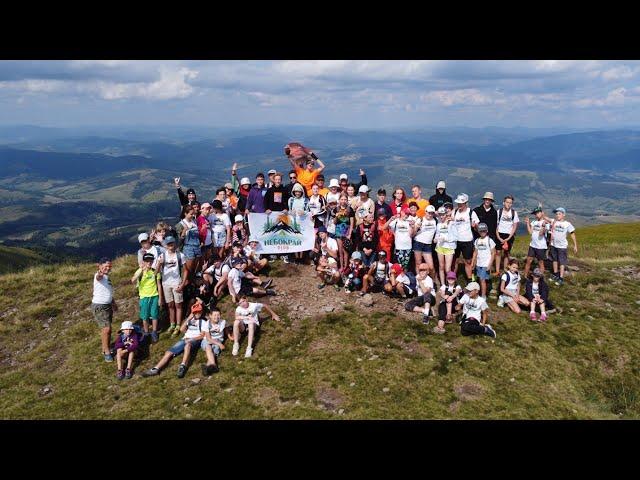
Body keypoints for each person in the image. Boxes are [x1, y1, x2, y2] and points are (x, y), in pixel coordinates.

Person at [141, 302, 208, 378]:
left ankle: (183, 366)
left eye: (199, 311)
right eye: (195, 312)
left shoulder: (203, 321)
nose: (197, 313)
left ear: (201, 311)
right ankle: (156, 369)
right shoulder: (190, 320)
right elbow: (182, 329)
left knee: (187, 346)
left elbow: (202, 335)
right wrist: (189, 318)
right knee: (169, 352)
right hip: (185, 338)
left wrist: (191, 339)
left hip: (195, 340)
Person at [156, 236, 186, 336]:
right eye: (168, 244)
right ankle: (172, 324)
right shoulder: (162, 255)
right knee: (170, 305)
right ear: (165, 245)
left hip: (177, 282)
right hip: (166, 283)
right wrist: (159, 264)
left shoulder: (180, 255)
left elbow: (186, 270)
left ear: (175, 244)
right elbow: (156, 272)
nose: (170, 245)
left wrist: (182, 284)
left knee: (178, 304)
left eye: (172, 243)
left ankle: (178, 324)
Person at [92, 257, 118, 362]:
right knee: (106, 329)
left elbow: (108, 291)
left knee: (107, 329)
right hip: (100, 305)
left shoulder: (107, 277)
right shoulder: (99, 275)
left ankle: (104, 348)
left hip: (107, 305)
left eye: (109, 266)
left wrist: (113, 303)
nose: (108, 268)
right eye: (106, 266)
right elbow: (98, 277)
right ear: (100, 266)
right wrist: (100, 272)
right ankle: (107, 352)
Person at [131, 252, 161, 343]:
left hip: (154, 296)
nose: (149, 263)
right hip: (144, 297)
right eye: (147, 261)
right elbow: (132, 280)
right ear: (143, 261)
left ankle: (154, 331)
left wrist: (160, 298)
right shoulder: (140, 271)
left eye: (151, 261)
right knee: (145, 316)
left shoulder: (154, 271)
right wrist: (141, 269)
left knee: (154, 315)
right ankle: (146, 332)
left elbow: (158, 285)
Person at [453, 193, 480, 281]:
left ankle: (470, 280)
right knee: (455, 260)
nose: (459, 205)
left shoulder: (471, 212)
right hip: (456, 240)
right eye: (458, 203)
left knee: (468, 261)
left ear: (466, 203)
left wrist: (475, 226)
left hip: (467, 240)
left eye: (461, 203)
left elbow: (477, 229)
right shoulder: (455, 211)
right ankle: (452, 279)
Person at [549, 207, 577, 286]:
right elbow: (546, 218)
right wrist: (540, 209)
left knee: (561, 262)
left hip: (562, 246)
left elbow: (572, 233)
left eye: (559, 214)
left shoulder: (567, 224)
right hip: (553, 244)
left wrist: (575, 245)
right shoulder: (554, 222)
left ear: (563, 215)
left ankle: (561, 277)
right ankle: (555, 274)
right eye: (556, 214)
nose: (557, 215)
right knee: (554, 260)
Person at [175, 204, 201, 288]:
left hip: (197, 246)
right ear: (185, 214)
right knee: (188, 269)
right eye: (191, 214)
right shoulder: (181, 224)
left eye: (193, 214)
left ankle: (193, 285)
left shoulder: (194, 221)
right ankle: (185, 285)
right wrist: (184, 231)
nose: (192, 215)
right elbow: (179, 240)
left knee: (195, 268)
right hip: (188, 247)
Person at [524, 206, 550, 279]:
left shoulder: (546, 223)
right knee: (528, 261)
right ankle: (525, 277)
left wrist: (543, 226)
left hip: (541, 246)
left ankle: (540, 278)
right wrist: (527, 223)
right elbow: (530, 232)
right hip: (532, 245)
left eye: (538, 213)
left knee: (540, 262)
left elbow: (541, 234)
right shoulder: (534, 222)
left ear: (542, 213)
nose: (536, 215)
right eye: (535, 213)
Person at [472, 223, 496, 299]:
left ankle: (483, 296)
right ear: (478, 231)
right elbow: (475, 252)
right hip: (479, 264)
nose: (482, 232)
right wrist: (473, 262)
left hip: (486, 264)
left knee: (482, 280)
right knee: (480, 279)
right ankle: (481, 293)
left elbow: (493, 253)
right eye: (481, 231)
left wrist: (490, 264)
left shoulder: (490, 240)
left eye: (484, 231)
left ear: (487, 231)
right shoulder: (477, 240)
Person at [434, 206, 457, 286]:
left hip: (449, 247)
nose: (441, 216)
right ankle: (443, 285)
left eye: (443, 214)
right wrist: (436, 239)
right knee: (441, 267)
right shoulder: (439, 224)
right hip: (440, 247)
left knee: (448, 269)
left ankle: (450, 285)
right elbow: (437, 234)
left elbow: (455, 237)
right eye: (440, 215)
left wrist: (446, 239)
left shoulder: (452, 223)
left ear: (446, 214)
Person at [413, 205, 437, 280]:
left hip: (428, 245)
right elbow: (413, 234)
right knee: (418, 264)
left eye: (432, 213)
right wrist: (416, 228)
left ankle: (431, 282)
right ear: (425, 212)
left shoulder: (435, 220)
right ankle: (419, 281)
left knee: (431, 267)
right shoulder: (420, 220)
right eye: (429, 213)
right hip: (418, 243)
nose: (430, 215)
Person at [496, 195, 519, 273]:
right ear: (503, 202)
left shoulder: (514, 213)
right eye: (507, 202)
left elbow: (514, 226)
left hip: (509, 235)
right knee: (498, 252)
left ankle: (505, 269)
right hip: (499, 234)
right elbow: (496, 225)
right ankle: (497, 270)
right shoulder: (499, 212)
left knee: (506, 253)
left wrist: (509, 237)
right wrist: (498, 237)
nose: (508, 204)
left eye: (510, 203)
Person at [332, 193, 355, 271]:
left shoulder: (350, 209)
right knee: (340, 249)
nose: (343, 201)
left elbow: (352, 223)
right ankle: (341, 266)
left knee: (346, 250)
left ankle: (346, 266)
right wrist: (336, 216)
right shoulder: (336, 209)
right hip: (338, 231)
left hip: (346, 231)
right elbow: (334, 222)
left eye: (345, 199)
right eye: (342, 199)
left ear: (347, 200)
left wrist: (350, 234)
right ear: (339, 200)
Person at [200, 308, 226, 375]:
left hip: (218, 339)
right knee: (208, 347)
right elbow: (208, 338)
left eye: (218, 315)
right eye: (214, 315)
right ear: (210, 316)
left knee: (213, 352)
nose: (217, 317)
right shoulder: (206, 324)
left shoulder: (223, 322)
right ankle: (214, 365)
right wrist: (220, 344)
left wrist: (218, 343)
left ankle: (207, 367)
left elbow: (222, 330)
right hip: (207, 339)